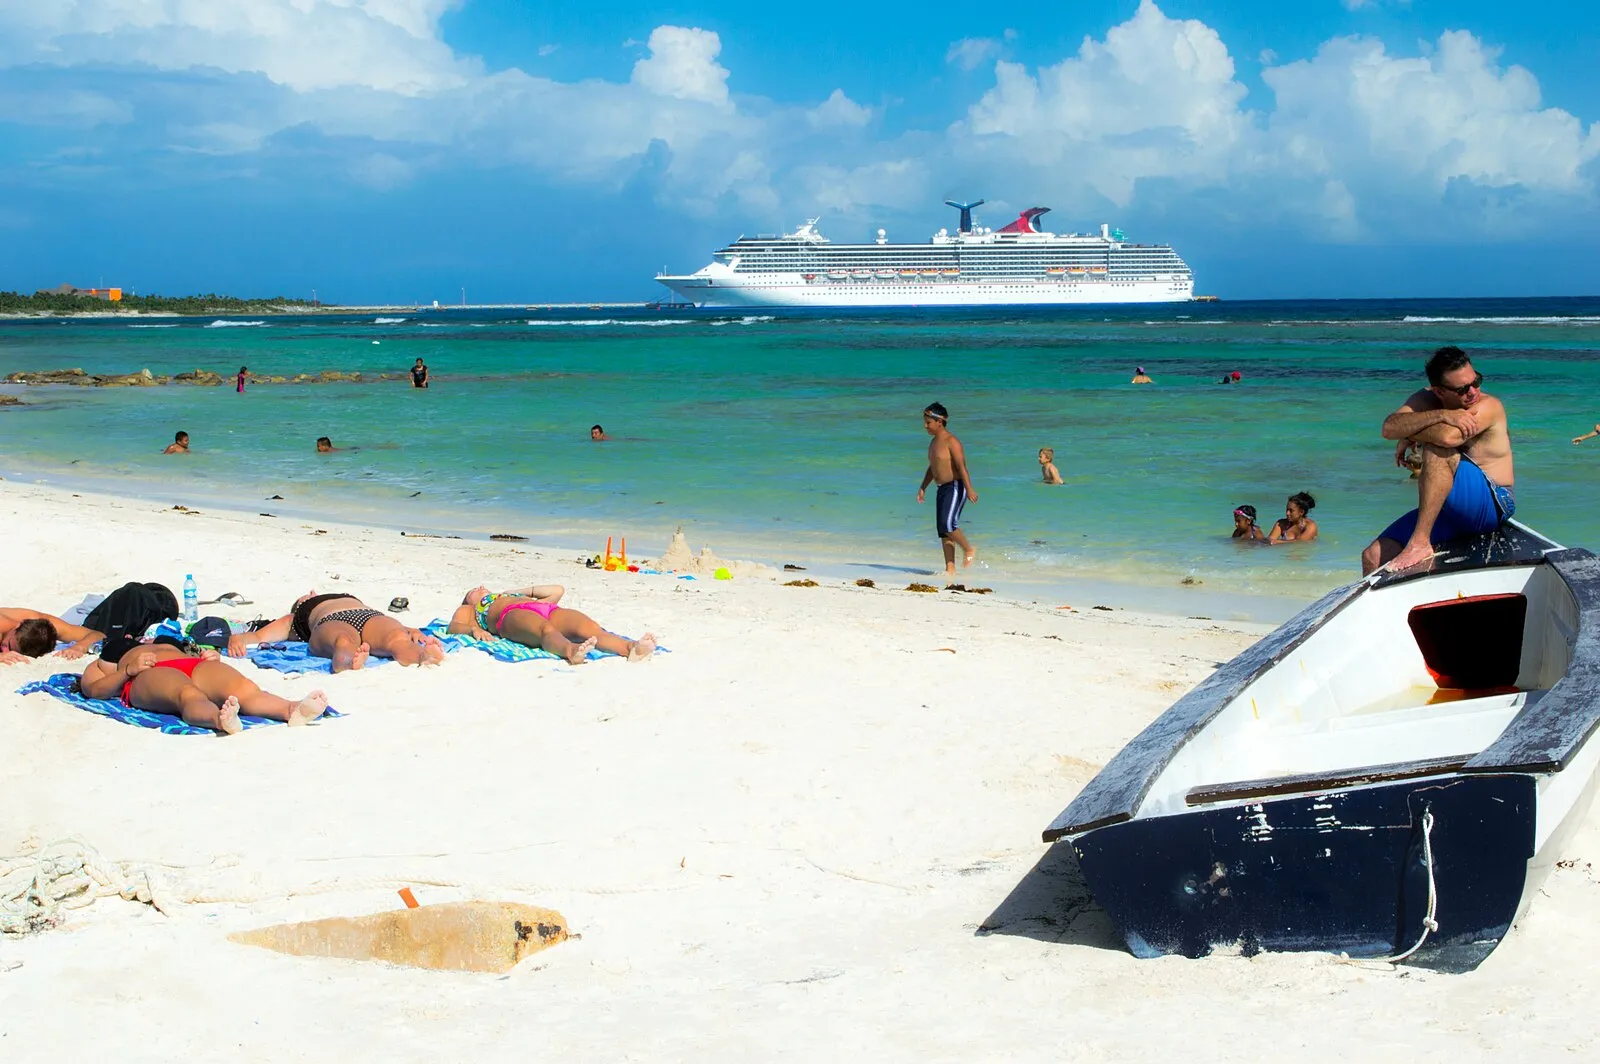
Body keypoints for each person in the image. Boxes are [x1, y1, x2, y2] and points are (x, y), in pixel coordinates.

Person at [1362, 346, 1515, 575]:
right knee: (1373, 556)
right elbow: (1389, 427)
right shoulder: (1428, 400)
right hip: (1450, 511)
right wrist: (1441, 414)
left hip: (1492, 503)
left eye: (1477, 381)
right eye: (1463, 389)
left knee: (1438, 450)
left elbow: (1447, 438)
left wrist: (1410, 433)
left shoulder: (1487, 405)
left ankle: (1420, 543)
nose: (1473, 392)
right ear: (1439, 391)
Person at [80, 643, 327, 735]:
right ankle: (219, 720)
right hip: (145, 674)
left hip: (192, 663)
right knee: (187, 695)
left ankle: (292, 709)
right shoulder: (104, 656)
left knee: (244, 688)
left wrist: (207, 654)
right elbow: (93, 689)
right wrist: (127, 671)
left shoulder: (168, 637)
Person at [229, 592, 445, 672]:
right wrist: (238, 638)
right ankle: (347, 658)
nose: (310, 593)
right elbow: (258, 637)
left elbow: (258, 636)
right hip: (345, 618)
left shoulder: (305, 613)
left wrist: (411, 630)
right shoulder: (293, 619)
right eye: (305, 597)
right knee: (344, 639)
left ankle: (422, 655)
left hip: (365, 615)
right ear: (299, 604)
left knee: (397, 637)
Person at [448, 585, 655, 665]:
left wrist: (518, 592)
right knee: (545, 631)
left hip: (544, 609)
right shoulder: (472, 610)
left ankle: (631, 649)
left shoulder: (509, 594)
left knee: (589, 628)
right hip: (509, 616)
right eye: (474, 590)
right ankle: (570, 650)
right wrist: (473, 629)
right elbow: (454, 626)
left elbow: (557, 591)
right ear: (469, 600)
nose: (481, 587)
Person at [916, 402, 978, 575]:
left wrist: (969, 489)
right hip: (942, 488)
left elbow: (962, 467)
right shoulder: (933, 443)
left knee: (948, 525)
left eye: (928, 422)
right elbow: (932, 467)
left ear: (939, 422)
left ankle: (968, 549)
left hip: (956, 487)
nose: (925, 426)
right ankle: (950, 568)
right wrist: (923, 487)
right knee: (943, 531)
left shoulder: (952, 442)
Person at [0, 607, 104, 665]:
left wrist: (79, 647)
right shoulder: (4, 623)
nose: (7, 652)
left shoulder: (41, 626)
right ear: (17, 626)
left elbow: (98, 635)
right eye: (8, 645)